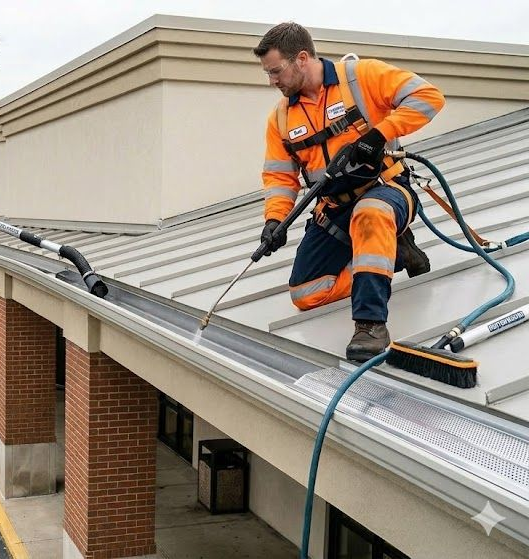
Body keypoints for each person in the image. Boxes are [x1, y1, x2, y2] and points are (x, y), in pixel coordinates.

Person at [253, 22, 445, 362]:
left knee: (370, 215)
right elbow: (281, 177)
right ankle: (396, 255)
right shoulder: (280, 119)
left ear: (301, 58)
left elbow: (429, 97)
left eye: (276, 71)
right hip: (333, 206)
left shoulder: (361, 77)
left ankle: (370, 324)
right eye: (268, 74)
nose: (272, 81)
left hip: (385, 190)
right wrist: (274, 221)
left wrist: (379, 134)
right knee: (305, 293)